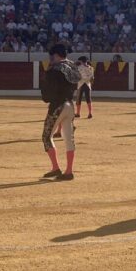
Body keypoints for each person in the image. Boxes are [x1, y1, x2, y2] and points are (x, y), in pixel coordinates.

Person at [41, 44, 81, 180]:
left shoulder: (54, 69)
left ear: (56, 55)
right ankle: (69, 171)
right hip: (70, 105)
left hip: (58, 106)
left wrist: (47, 98)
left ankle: (56, 168)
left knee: (47, 137)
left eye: (52, 56)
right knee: (69, 139)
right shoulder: (73, 66)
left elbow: (48, 92)